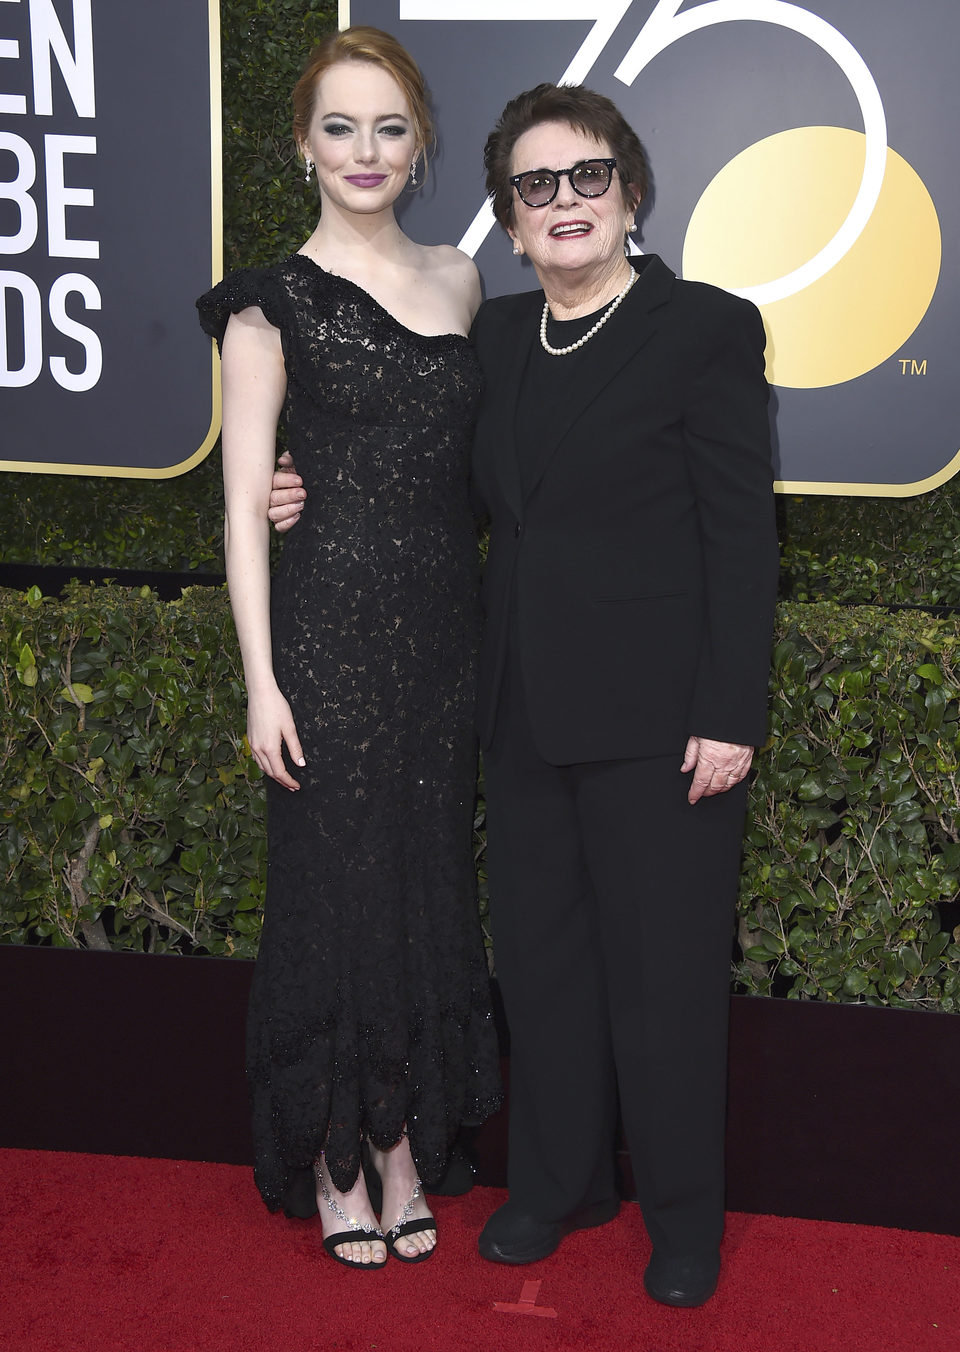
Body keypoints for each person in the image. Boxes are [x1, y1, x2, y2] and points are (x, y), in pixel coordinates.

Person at [271, 80, 779, 1306]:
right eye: (535, 185)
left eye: (586, 176)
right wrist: (301, 491)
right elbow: (421, 483)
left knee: (661, 981)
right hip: (521, 708)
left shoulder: (705, 327)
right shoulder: (496, 340)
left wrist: (731, 711)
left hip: (665, 722)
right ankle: (557, 1185)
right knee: (545, 970)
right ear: (506, 213)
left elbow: (743, 537)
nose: (564, 202)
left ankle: (681, 1214)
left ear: (630, 190)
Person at [196, 27, 500, 1270]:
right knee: (335, 896)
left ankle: (407, 1143)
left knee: (427, 886)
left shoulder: (464, 283)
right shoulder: (266, 303)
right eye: (340, 127)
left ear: (419, 142)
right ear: (303, 146)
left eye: (387, 127)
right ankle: (339, 1156)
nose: (364, 151)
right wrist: (261, 681)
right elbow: (238, 506)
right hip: (324, 638)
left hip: (442, 643)